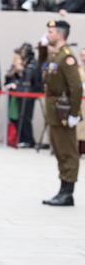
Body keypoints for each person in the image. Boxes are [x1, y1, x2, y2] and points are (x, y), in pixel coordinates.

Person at [41, 20, 81, 206]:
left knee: (68, 152)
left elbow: (76, 87)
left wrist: (74, 113)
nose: (48, 34)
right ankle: (62, 189)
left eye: (51, 32)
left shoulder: (66, 57)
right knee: (59, 150)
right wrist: (42, 48)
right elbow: (43, 71)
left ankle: (68, 192)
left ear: (60, 34)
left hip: (64, 111)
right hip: (54, 110)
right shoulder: (55, 56)